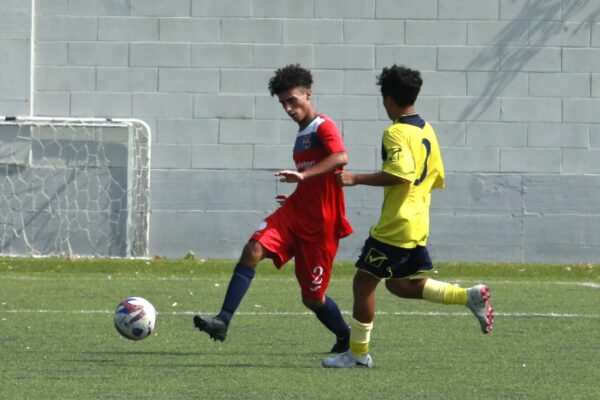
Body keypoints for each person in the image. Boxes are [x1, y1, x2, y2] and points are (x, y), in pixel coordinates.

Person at [322, 65, 494, 369]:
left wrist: (355, 178)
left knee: (364, 283)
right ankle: (468, 296)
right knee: (398, 285)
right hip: (418, 221)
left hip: (396, 224)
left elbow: (401, 174)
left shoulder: (395, 132)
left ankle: (358, 354)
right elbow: (437, 176)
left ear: (388, 99)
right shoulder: (426, 130)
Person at [193, 64, 353, 353]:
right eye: (283, 103)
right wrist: (297, 193)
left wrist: (303, 177)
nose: (289, 108)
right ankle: (223, 320)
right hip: (294, 214)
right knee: (253, 249)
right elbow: (315, 176)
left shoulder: (323, 125)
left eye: (293, 100)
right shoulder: (302, 133)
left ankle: (346, 337)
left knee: (312, 299)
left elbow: (340, 156)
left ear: (308, 93)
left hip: (321, 225)